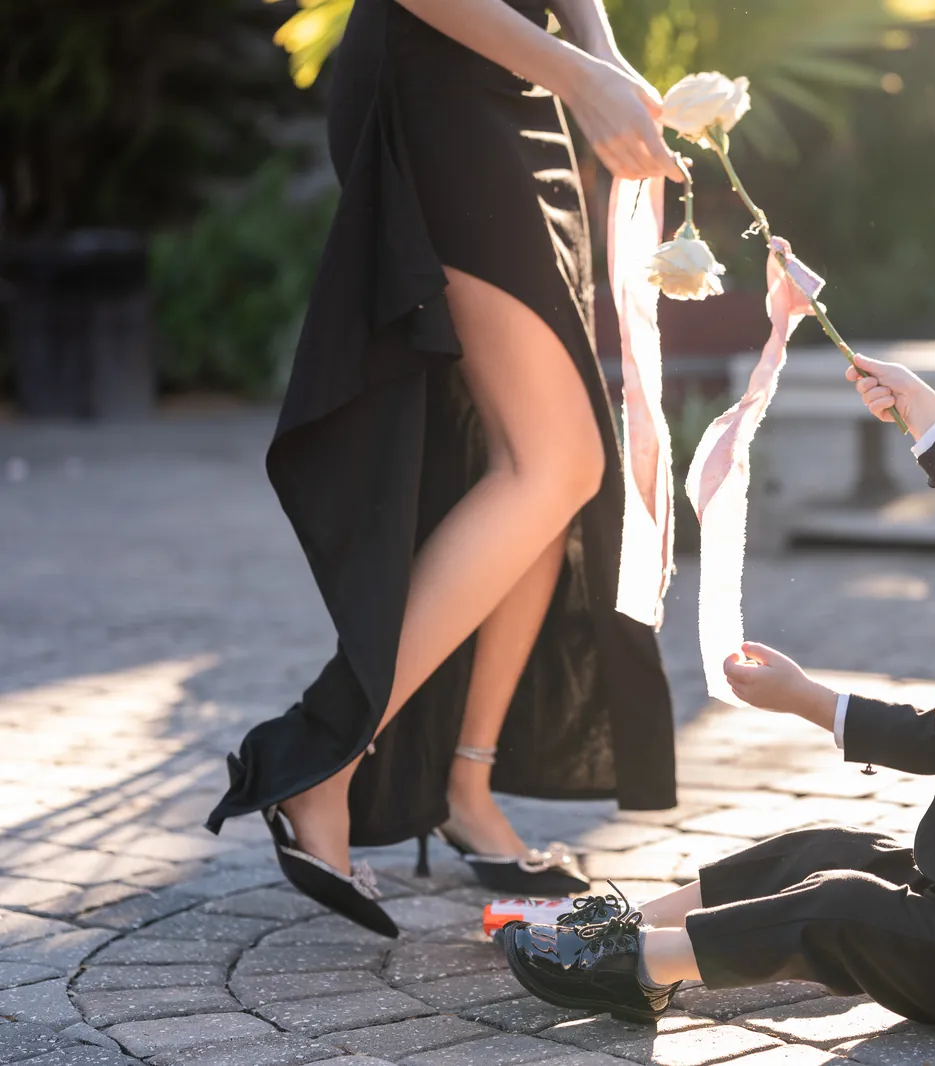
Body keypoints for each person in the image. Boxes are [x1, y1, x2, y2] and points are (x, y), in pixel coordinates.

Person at [496, 353, 935, 1037]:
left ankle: (640, 969)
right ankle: (625, 927)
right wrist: (922, 410)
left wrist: (807, 698)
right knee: (821, 848)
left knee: (840, 903)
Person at [204, 0, 686, 937]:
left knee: (539, 468)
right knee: (556, 462)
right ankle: (320, 757)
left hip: (528, 91)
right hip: (441, 79)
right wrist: (574, 69)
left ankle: (466, 785)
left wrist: (600, 54)